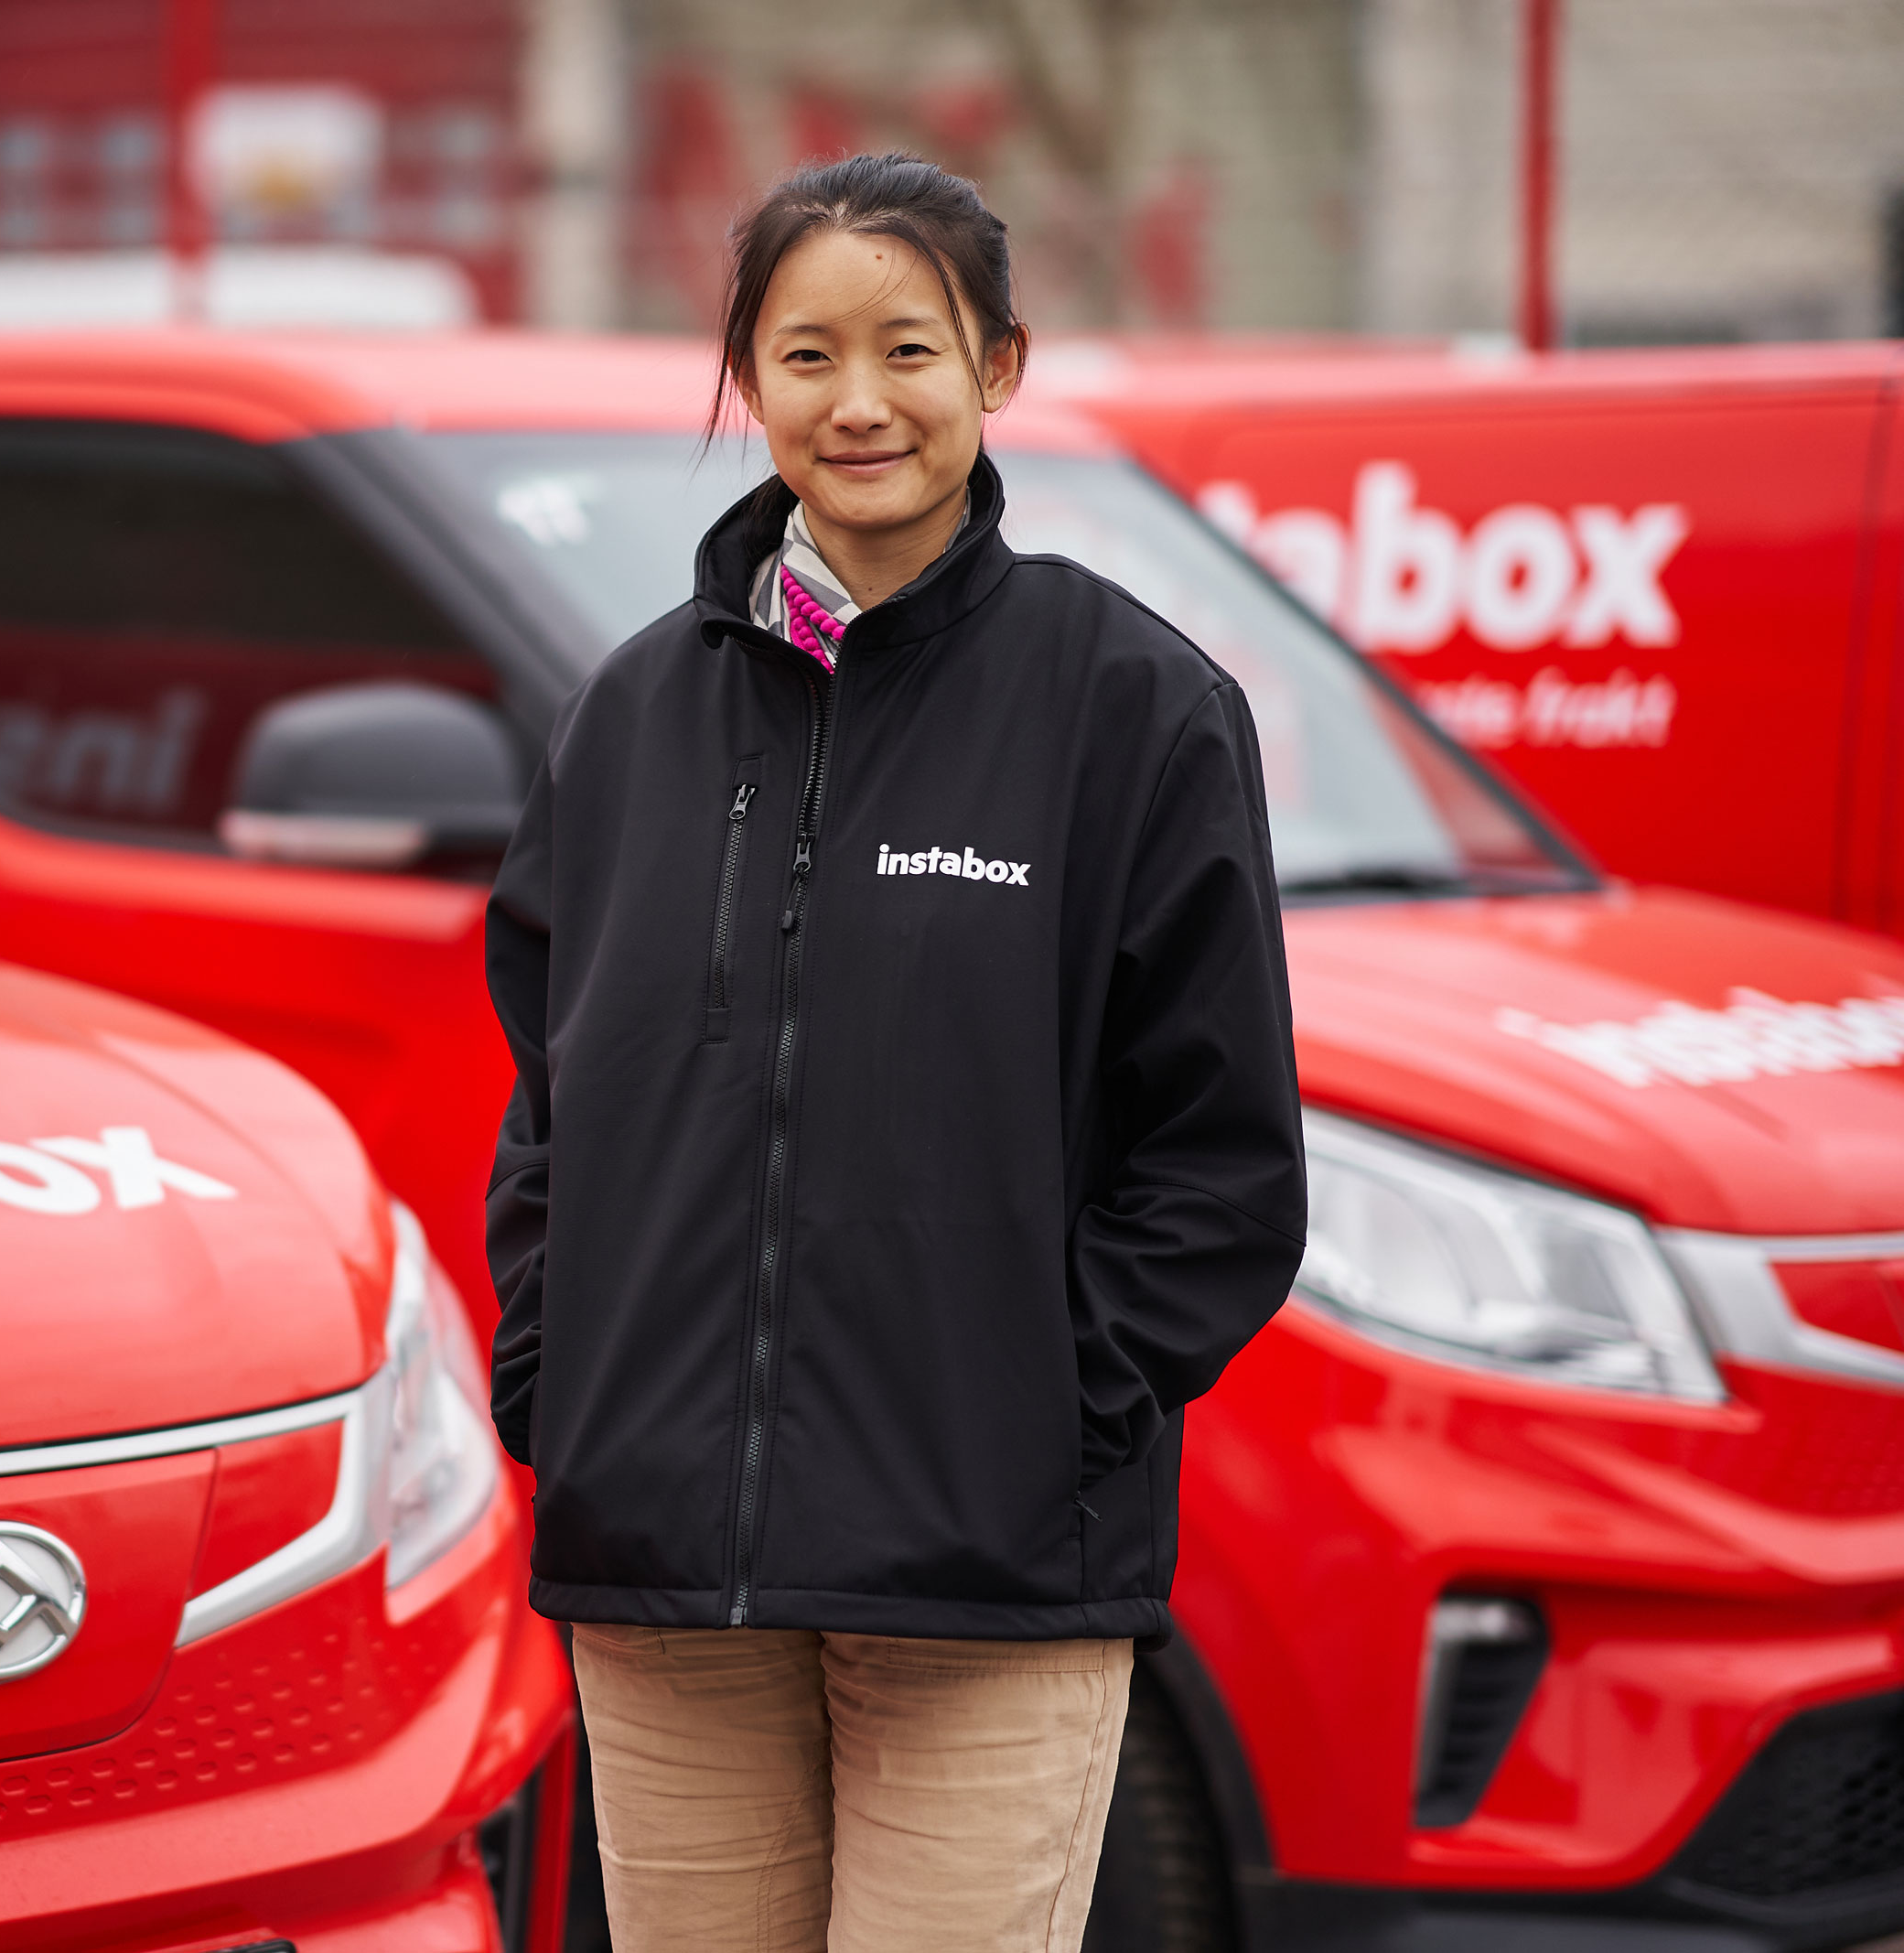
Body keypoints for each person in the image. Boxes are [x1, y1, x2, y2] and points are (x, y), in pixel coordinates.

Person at [481, 152, 1308, 1951]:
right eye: (803, 354)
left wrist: (1041, 1414)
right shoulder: (629, 712)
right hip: (661, 1566)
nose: (857, 403)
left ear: (996, 366)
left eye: (909, 349)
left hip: (982, 1570)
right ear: (745, 372)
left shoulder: (1129, 706)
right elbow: (551, 1096)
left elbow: (1221, 1164)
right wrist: (564, 1382)